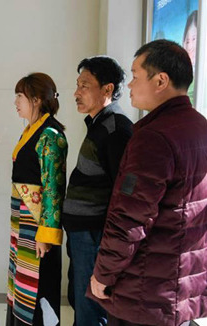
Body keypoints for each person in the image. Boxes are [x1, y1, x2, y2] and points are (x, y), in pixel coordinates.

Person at [89, 40, 207, 326]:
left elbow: (129, 218)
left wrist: (102, 275)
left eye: (135, 76)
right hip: (181, 287)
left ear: (161, 80)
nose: (128, 85)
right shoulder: (199, 126)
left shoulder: (153, 138)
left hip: (145, 291)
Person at [62, 56, 133, 326]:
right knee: (81, 300)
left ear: (107, 89)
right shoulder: (100, 124)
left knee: (91, 307)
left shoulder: (116, 129)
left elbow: (122, 192)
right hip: (84, 233)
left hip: (95, 235)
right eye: (78, 85)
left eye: (85, 86)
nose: (77, 93)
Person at [8, 72, 67, 326]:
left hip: (37, 229)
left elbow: (53, 188)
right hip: (23, 224)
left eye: (20, 96)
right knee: (20, 286)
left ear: (37, 99)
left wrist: (46, 235)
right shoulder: (31, 130)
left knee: (37, 289)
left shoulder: (50, 134)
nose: (16, 102)